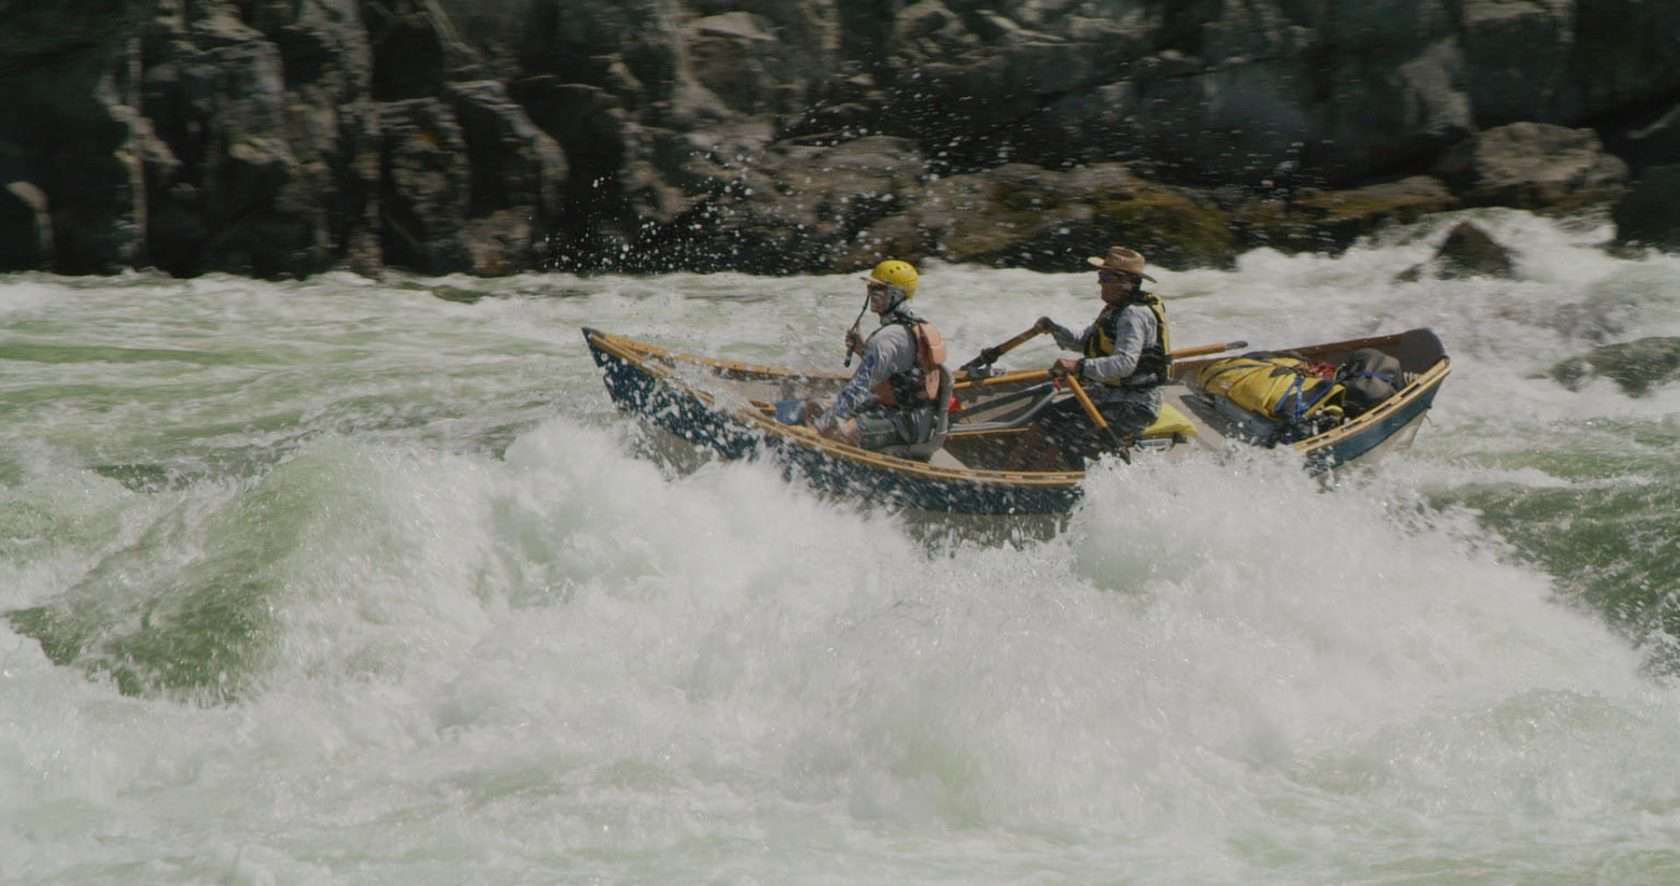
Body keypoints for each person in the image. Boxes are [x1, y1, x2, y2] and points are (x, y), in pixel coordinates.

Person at [1023, 245, 1171, 468]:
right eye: (1100, 275)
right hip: (1107, 395)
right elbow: (1086, 340)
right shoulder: (1115, 308)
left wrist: (1078, 366)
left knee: (1068, 436)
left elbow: (1125, 364)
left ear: (1125, 282)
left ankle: (1051, 481)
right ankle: (1018, 466)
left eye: (1105, 276)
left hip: (1136, 405)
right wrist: (1055, 329)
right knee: (1044, 419)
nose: (1099, 282)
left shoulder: (1133, 315)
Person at [803, 259, 952, 457]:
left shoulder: (887, 339)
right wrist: (862, 351)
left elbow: (857, 390)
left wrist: (817, 430)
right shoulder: (909, 325)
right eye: (870, 287)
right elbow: (898, 372)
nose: (871, 293)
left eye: (878, 288)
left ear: (896, 294)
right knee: (814, 407)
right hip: (899, 411)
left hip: (906, 423)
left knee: (835, 432)